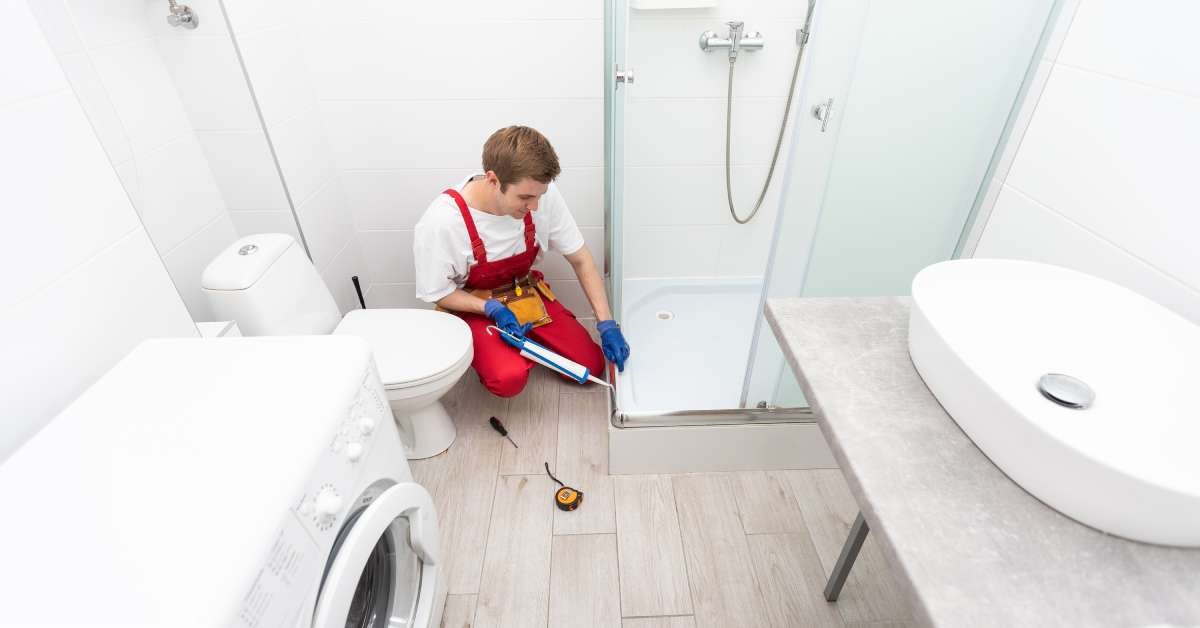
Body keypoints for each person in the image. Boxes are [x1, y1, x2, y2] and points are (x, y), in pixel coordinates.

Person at [413, 125, 629, 397]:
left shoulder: (538, 193)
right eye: (525, 198)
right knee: (508, 379)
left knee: (590, 367)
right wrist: (490, 308)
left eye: (539, 196)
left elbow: (581, 259)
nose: (535, 207)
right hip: (477, 307)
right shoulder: (443, 222)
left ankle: (521, 342)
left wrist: (606, 324)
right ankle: (498, 351)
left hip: (524, 294)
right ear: (492, 180)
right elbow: (439, 293)